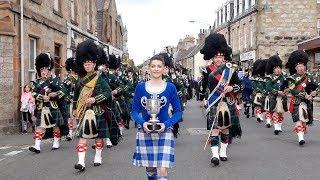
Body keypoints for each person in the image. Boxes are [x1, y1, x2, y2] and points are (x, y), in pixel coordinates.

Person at [131, 55, 182, 180]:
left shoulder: (170, 87)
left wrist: (166, 124)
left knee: (162, 169)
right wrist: (143, 123)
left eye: (159, 66)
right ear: (149, 68)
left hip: (165, 132)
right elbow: (134, 111)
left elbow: (178, 112)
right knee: (150, 168)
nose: (156, 69)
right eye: (153, 66)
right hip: (145, 131)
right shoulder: (140, 87)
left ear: (164, 68)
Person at [199, 33, 242, 166]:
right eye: (216, 56)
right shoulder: (207, 70)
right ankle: (215, 155)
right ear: (212, 56)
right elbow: (203, 85)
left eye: (221, 56)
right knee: (215, 129)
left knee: (225, 129)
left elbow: (240, 85)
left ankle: (223, 152)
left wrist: (231, 88)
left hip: (227, 102)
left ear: (224, 57)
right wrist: (201, 98)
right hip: (214, 102)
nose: (218, 59)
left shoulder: (231, 70)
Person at [72, 40, 112, 171]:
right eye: (85, 63)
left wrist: (95, 99)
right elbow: (76, 96)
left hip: (98, 111)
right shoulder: (80, 79)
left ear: (94, 64)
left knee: (98, 138)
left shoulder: (99, 78)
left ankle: (98, 156)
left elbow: (107, 92)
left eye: (90, 63)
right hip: (84, 111)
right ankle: (81, 162)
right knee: (82, 138)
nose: (87, 66)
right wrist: (74, 109)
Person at [29, 53, 66, 153]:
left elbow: (64, 91)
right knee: (39, 126)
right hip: (42, 107)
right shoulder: (37, 82)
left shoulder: (55, 80)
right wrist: (42, 97)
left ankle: (56, 142)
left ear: (49, 70)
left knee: (55, 125)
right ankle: (37, 146)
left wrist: (55, 94)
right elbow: (33, 93)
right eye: (41, 70)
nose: (43, 72)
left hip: (53, 106)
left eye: (45, 70)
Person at [285, 50, 319, 146]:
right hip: (297, 102)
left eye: (303, 66)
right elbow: (293, 90)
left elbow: (315, 86)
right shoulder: (291, 78)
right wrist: (305, 95)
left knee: (304, 122)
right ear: (296, 68)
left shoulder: (309, 77)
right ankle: (301, 139)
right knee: (299, 121)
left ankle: (302, 131)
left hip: (307, 103)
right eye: (299, 66)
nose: (301, 68)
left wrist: (314, 92)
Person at [265, 55, 289, 135]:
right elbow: (268, 87)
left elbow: (288, 85)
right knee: (275, 112)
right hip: (274, 97)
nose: (278, 70)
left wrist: (287, 89)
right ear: (272, 69)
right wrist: (277, 92)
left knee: (281, 113)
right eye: (276, 68)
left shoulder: (284, 77)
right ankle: (276, 128)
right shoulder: (269, 77)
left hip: (282, 98)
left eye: (279, 68)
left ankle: (279, 126)